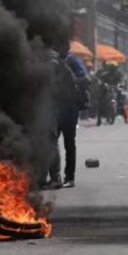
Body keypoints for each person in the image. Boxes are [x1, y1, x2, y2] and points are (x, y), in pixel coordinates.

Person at [47, 42, 80, 189]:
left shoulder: (71, 61)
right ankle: (57, 177)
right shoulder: (53, 61)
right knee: (53, 141)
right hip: (58, 107)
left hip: (69, 108)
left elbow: (86, 79)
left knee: (66, 143)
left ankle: (67, 177)